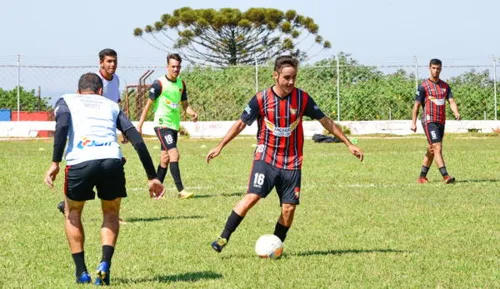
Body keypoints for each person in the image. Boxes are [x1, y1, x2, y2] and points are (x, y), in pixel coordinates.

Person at [206, 55, 364, 253]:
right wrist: (220, 146)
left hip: (292, 162)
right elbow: (240, 123)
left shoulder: (302, 98)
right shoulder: (261, 99)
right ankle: (223, 237)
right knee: (252, 196)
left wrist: (348, 143)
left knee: (288, 209)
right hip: (266, 157)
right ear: (275, 75)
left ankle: (275, 246)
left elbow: (325, 120)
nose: (290, 82)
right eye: (286, 77)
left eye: (294, 78)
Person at [44, 73, 164, 285]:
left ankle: (81, 272)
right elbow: (136, 139)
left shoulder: (66, 100)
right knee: (110, 213)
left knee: (72, 213)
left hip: (80, 162)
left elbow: (62, 127)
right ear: (100, 91)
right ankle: (104, 263)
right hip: (111, 161)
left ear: (78, 90)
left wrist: (55, 162)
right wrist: (152, 176)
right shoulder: (111, 105)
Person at [57, 48, 128, 222]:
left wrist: (123, 129)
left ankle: (110, 213)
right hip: (89, 132)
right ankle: (70, 205)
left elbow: (116, 105)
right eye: (109, 61)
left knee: (113, 166)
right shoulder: (94, 81)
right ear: (101, 63)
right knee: (81, 163)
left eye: (114, 61)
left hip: (107, 129)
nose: (112, 64)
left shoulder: (116, 79)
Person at [137, 53, 198, 199]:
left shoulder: (181, 84)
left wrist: (192, 113)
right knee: (174, 154)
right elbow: (147, 106)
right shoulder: (159, 84)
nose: (176, 69)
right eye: (173, 66)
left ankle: (156, 191)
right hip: (162, 125)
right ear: (167, 67)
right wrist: (140, 125)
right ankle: (181, 191)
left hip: (173, 126)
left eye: (178, 67)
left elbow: (185, 105)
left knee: (164, 158)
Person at [411, 58, 461, 184]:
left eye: (438, 68)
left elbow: (451, 101)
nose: (436, 70)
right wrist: (413, 122)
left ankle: (422, 177)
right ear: (429, 68)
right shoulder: (423, 86)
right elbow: (416, 105)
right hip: (429, 121)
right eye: (433, 68)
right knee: (437, 147)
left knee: (432, 149)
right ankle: (446, 176)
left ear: (441, 69)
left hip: (441, 121)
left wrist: (456, 112)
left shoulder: (445, 86)